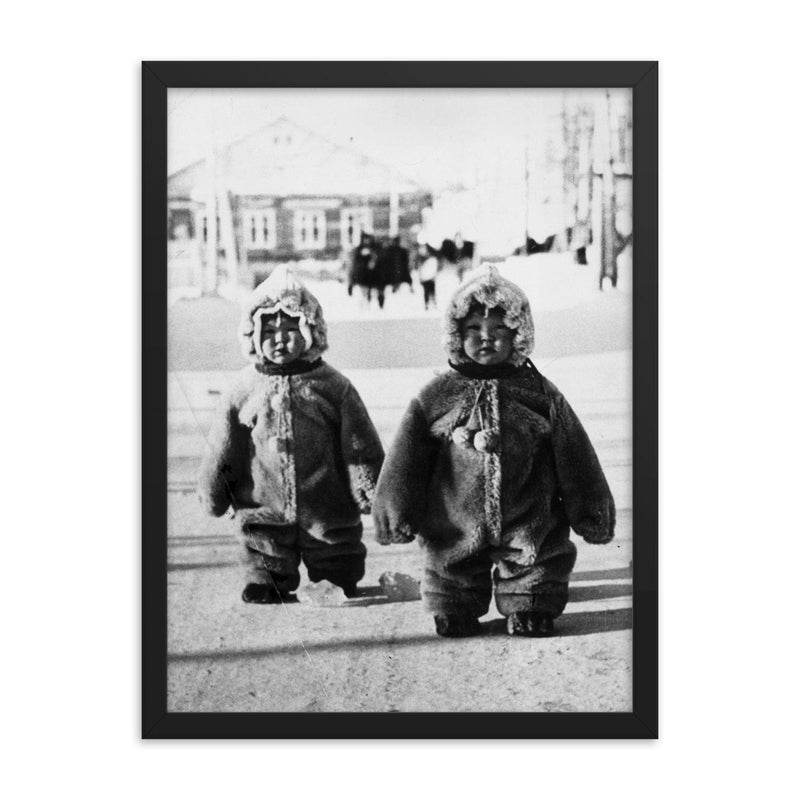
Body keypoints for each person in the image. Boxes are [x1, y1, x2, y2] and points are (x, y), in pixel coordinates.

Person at [372, 267, 615, 637]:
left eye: (500, 330)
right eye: (473, 330)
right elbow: (407, 457)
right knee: (450, 558)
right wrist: (395, 511)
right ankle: (455, 608)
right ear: (455, 335)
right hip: (455, 516)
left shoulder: (539, 393)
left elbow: (575, 453)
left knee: (538, 555)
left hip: (529, 513)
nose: (486, 339)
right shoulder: (437, 395)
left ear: (519, 334)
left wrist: (591, 509)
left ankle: (530, 605)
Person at [198, 266, 385, 603]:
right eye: (268, 331)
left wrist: (370, 488)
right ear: (252, 336)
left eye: (290, 329)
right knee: (262, 539)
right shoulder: (243, 388)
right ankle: (266, 579)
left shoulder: (333, 386)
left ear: (311, 330)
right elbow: (223, 446)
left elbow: (359, 443)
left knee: (335, 543)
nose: (279, 339)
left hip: (326, 501)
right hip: (262, 499)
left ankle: (336, 573)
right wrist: (215, 489)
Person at [418, 244, 439, 310]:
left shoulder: (431, 259)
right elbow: (421, 270)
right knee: (427, 292)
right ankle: (428, 304)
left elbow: (433, 269)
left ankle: (432, 304)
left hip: (429, 278)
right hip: (426, 278)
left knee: (430, 291)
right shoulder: (425, 260)